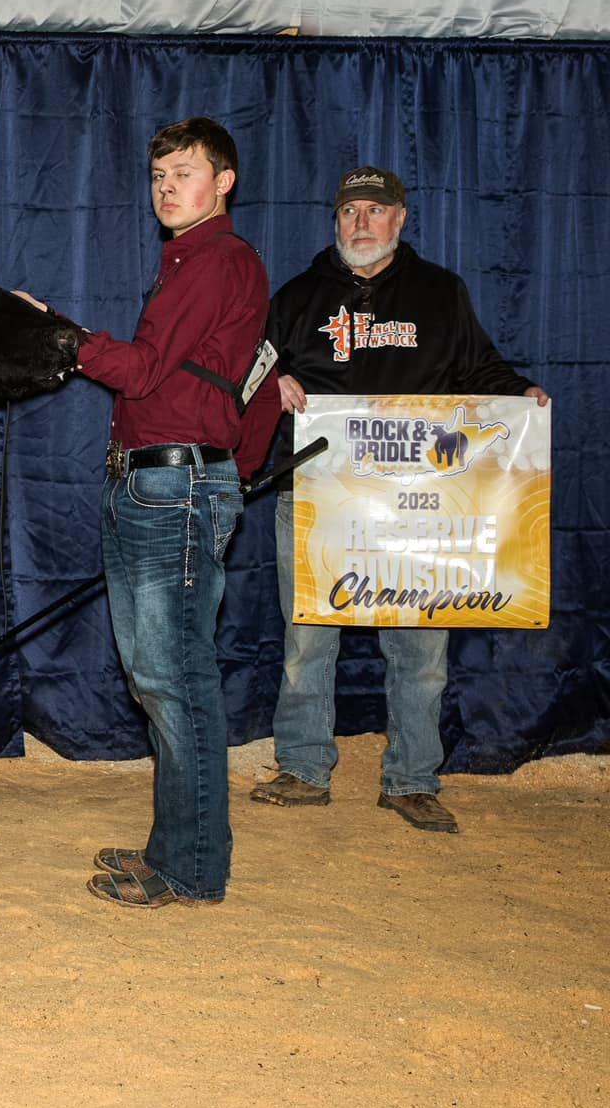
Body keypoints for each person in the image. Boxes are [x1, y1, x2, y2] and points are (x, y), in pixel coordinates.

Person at [250, 166, 549, 834]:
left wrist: (520, 393)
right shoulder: (299, 297)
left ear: (401, 218)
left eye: (375, 211)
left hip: (420, 501)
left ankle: (412, 779)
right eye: (351, 210)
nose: (362, 222)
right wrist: (273, 384)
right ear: (335, 219)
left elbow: (481, 370)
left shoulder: (441, 293)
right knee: (307, 643)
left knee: (421, 652)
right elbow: (250, 373)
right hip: (316, 493)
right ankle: (302, 769)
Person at [27, 117, 276, 908]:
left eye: (185, 173)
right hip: (157, 482)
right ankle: (176, 845)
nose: (168, 188)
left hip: (174, 488)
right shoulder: (189, 264)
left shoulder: (218, 261)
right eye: (160, 176)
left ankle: (194, 867)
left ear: (224, 181)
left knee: (177, 680)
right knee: (159, 679)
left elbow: (138, 373)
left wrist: (60, 337)